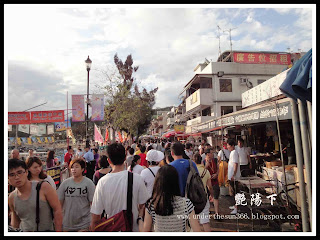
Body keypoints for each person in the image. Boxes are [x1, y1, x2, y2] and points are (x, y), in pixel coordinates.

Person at [90, 143, 149, 232]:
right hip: (133, 228)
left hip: (113, 228)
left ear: (109, 160)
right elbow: (143, 205)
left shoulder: (102, 182)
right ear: (125, 158)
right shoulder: (137, 178)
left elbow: (96, 216)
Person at [138, 164, 201, 232]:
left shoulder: (152, 204)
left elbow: (145, 230)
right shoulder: (186, 203)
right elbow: (197, 230)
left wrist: (140, 218)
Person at [8, 159, 62, 232]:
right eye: (12, 175)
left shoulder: (43, 187)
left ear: (26, 172)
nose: (17, 177)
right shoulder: (12, 197)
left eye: (19, 172)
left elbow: (57, 210)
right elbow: (15, 221)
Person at [58, 158, 95, 231]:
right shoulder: (65, 184)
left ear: (82, 169)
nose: (73, 169)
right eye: (72, 167)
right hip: (67, 224)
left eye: (76, 167)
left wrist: (92, 222)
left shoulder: (88, 183)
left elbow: (93, 204)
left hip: (84, 224)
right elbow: (59, 204)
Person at [193, 152, 213, 232]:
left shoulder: (191, 171)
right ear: (201, 160)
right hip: (204, 197)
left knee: (194, 221)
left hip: (193, 198)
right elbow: (210, 187)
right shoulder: (206, 171)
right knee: (205, 221)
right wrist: (211, 195)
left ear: (193, 161)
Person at [204, 148, 220, 216]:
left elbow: (218, 169)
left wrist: (216, 174)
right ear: (208, 154)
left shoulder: (215, 160)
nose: (213, 154)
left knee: (216, 197)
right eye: (211, 153)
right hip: (207, 183)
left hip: (215, 181)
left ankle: (216, 213)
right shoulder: (203, 161)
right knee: (207, 197)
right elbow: (202, 172)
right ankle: (208, 210)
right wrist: (206, 166)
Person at [227, 139, 241, 214]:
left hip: (234, 177)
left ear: (232, 146)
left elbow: (235, 164)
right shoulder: (232, 152)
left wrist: (234, 174)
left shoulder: (234, 152)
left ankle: (236, 208)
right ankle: (235, 205)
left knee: (235, 192)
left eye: (228, 145)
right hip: (232, 176)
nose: (227, 147)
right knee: (233, 192)